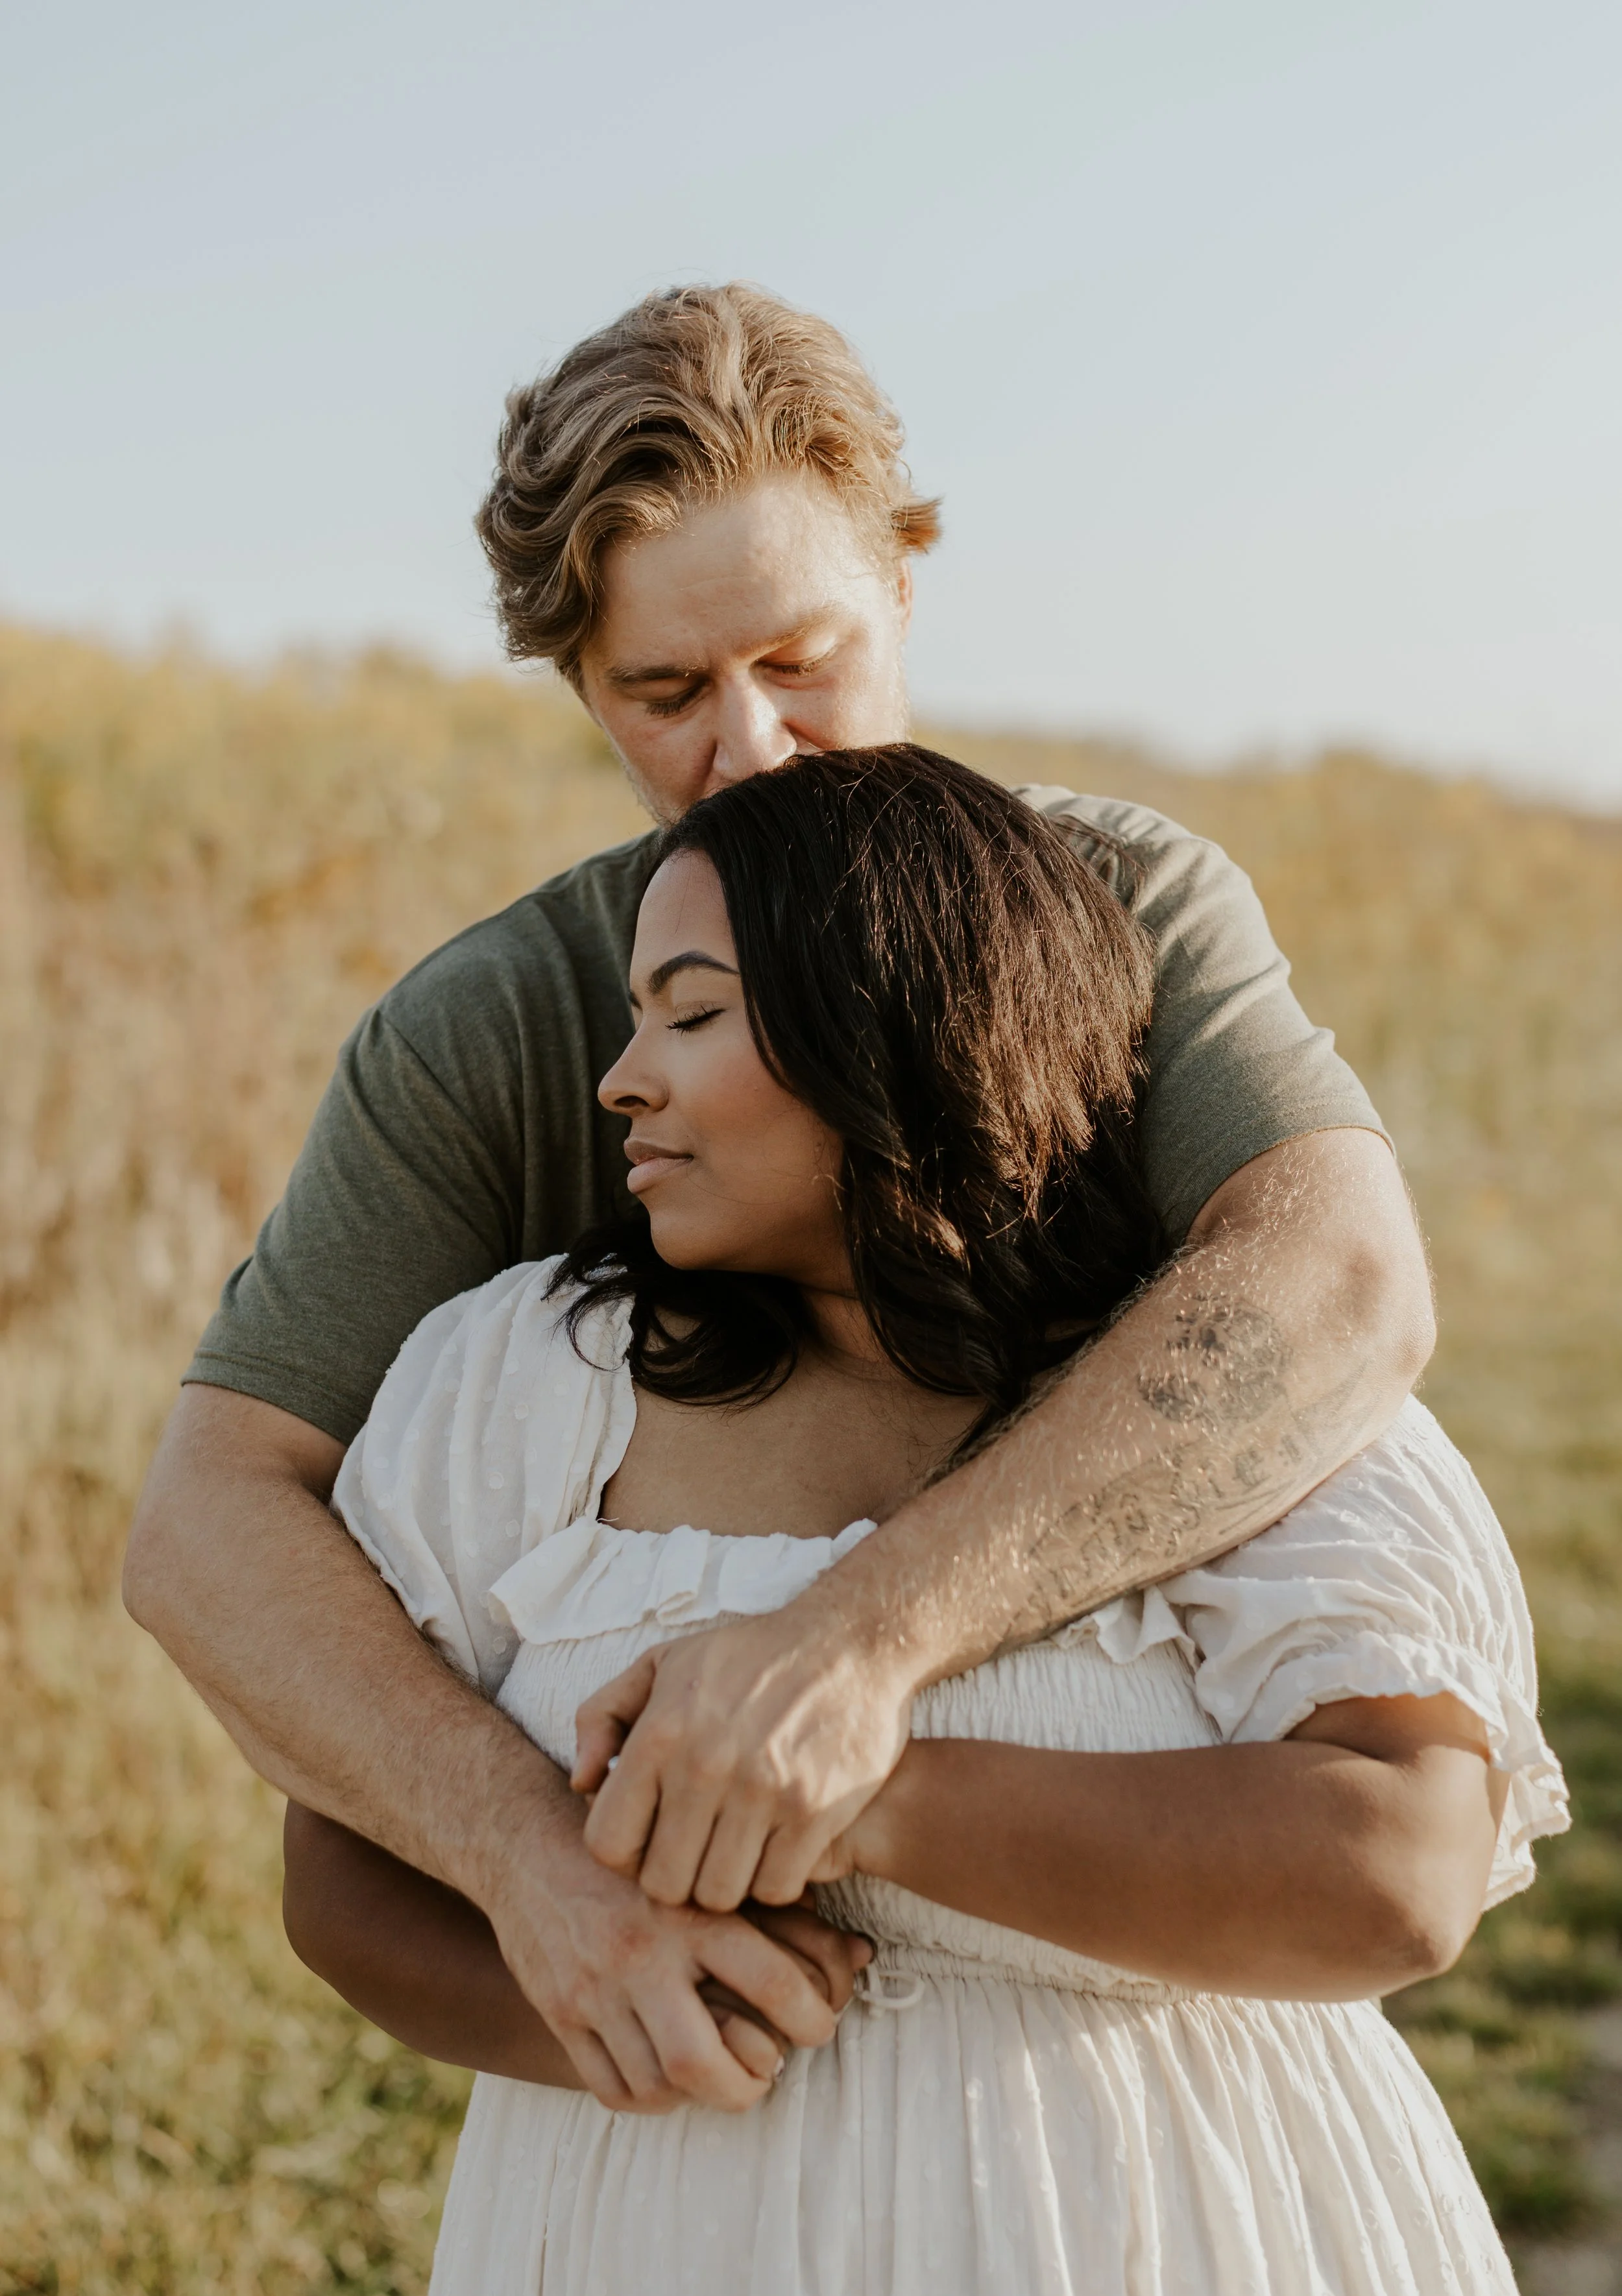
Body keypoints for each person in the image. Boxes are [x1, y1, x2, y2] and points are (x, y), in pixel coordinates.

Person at [125, 282, 1438, 2109]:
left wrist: (854, 1645)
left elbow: (1340, 1282)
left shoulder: (1129, 904)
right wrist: (532, 1866)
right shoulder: (489, 1025)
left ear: (903, 583)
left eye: (801, 658)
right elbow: (208, 1516)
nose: (750, 746)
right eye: (664, 690)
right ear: (580, 684)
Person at [321, 747, 1563, 2296]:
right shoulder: (517, 1376)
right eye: (631, 1016)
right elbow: (338, 1862)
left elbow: (1399, 1866)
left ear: (886, 1018)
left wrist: (856, 1794)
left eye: (688, 1014)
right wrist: (590, 1984)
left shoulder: (1216, 1386)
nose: (620, 1080)